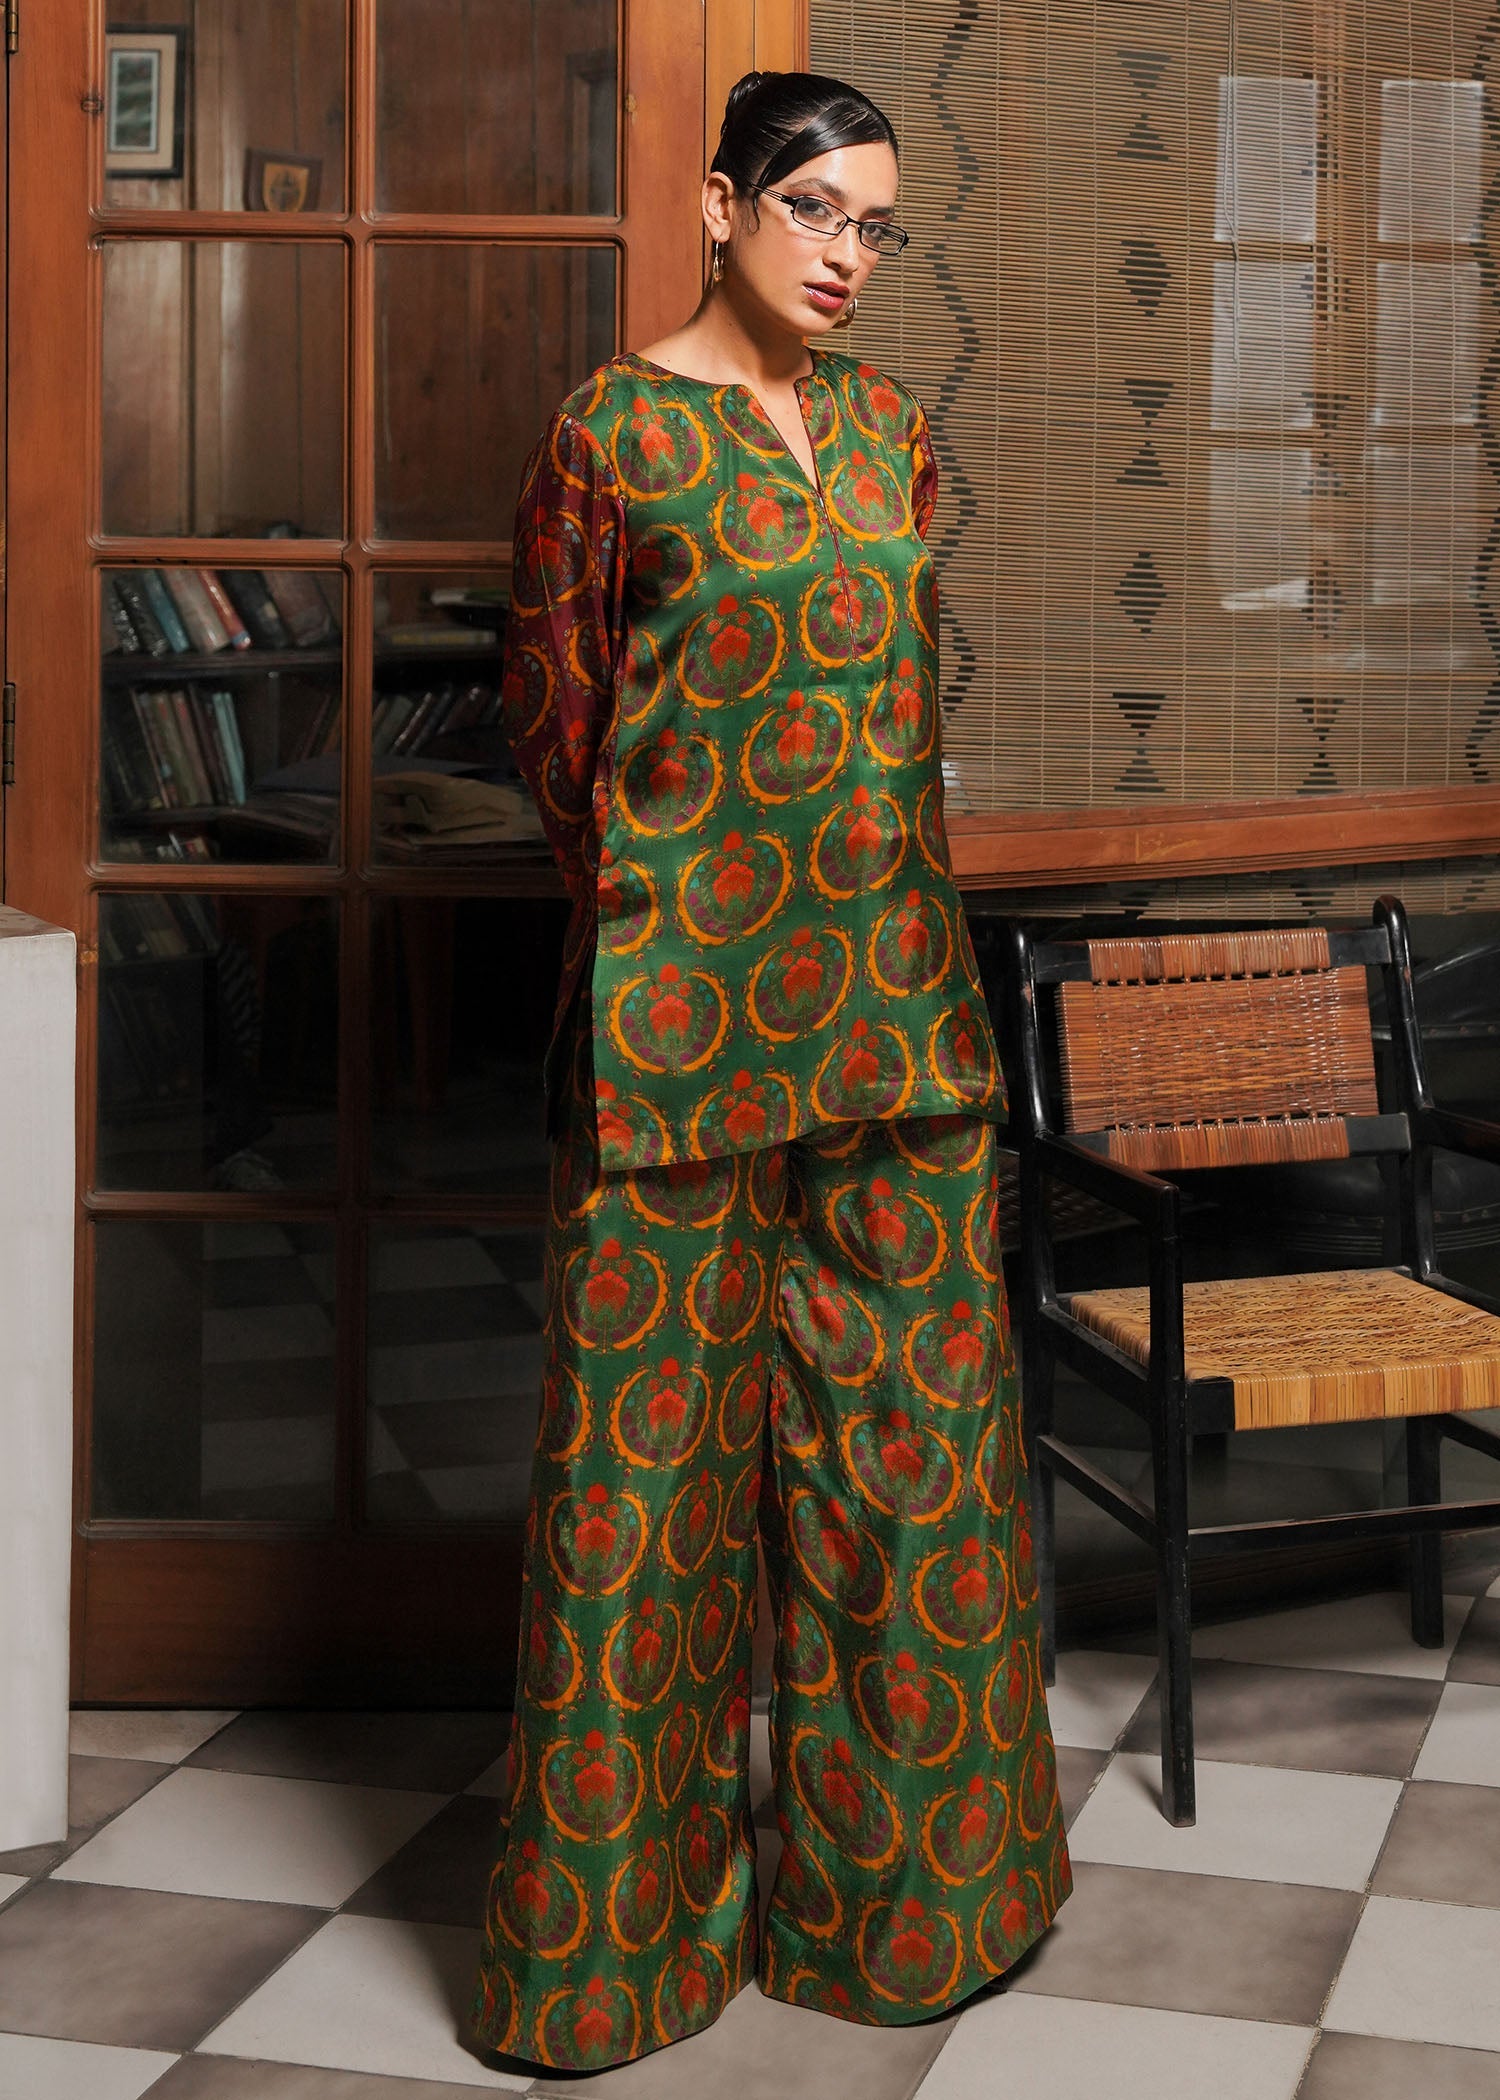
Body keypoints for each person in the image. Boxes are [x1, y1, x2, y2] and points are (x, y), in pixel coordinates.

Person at [471, 69, 1070, 2073]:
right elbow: (557, 732)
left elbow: (901, 717)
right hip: (677, 1038)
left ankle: (910, 1912)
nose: (846, 255)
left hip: (896, 1019)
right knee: (641, 1498)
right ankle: (611, 1967)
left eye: (875, 226)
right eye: (814, 209)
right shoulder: (609, 435)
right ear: (722, 203)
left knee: (917, 1470)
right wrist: (681, 922)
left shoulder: (892, 432)